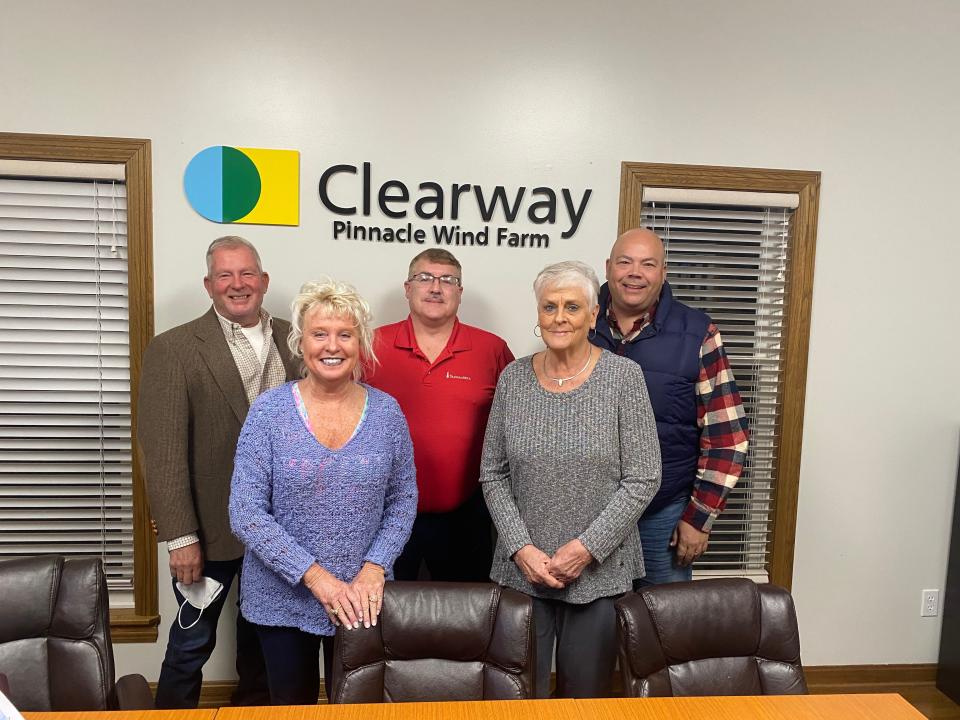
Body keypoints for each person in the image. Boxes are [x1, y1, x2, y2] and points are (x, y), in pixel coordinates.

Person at [229, 278, 417, 705]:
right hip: (281, 598)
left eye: (345, 334)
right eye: (320, 334)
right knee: (290, 709)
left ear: (360, 343)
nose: (332, 346)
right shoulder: (268, 413)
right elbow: (246, 512)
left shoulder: (387, 413)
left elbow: (403, 500)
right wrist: (317, 579)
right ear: (301, 342)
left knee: (358, 709)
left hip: (361, 599)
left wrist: (375, 568)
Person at [480, 260, 661, 698]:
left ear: (594, 314)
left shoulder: (623, 378)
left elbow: (643, 477)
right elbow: (492, 473)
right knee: (520, 695)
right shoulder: (513, 378)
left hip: (598, 573)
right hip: (524, 571)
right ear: (538, 314)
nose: (559, 317)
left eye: (572, 307)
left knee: (587, 697)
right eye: (549, 306)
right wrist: (521, 548)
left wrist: (586, 549)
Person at [138, 236, 298, 708]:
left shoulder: (298, 338)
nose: (237, 284)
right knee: (191, 646)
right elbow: (162, 451)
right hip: (209, 530)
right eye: (225, 275)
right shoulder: (175, 348)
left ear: (264, 281)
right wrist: (180, 536)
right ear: (209, 285)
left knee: (264, 646)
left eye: (247, 273)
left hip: (281, 528)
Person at [591, 228, 750, 586]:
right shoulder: (579, 323)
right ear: (608, 268)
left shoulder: (698, 333)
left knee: (660, 630)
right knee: (594, 631)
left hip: (661, 516)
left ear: (663, 272)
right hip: (589, 518)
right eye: (625, 262)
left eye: (648, 264)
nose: (635, 272)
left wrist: (699, 517)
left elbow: (728, 438)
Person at [367, 249, 513, 582]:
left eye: (448, 280)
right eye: (425, 278)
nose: (436, 288)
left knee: (468, 620)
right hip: (383, 516)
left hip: (465, 516)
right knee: (383, 619)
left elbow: (517, 423)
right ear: (407, 288)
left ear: (459, 293)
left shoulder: (491, 349)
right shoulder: (370, 345)